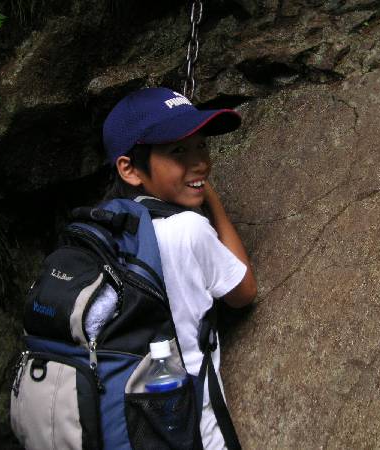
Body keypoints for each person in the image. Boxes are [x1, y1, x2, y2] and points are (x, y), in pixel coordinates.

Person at [102, 87, 257, 449]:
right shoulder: (187, 229)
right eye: (178, 151)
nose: (200, 162)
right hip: (191, 428)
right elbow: (243, 291)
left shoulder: (104, 228)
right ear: (129, 169)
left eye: (201, 146)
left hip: (124, 423)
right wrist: (212, 201)